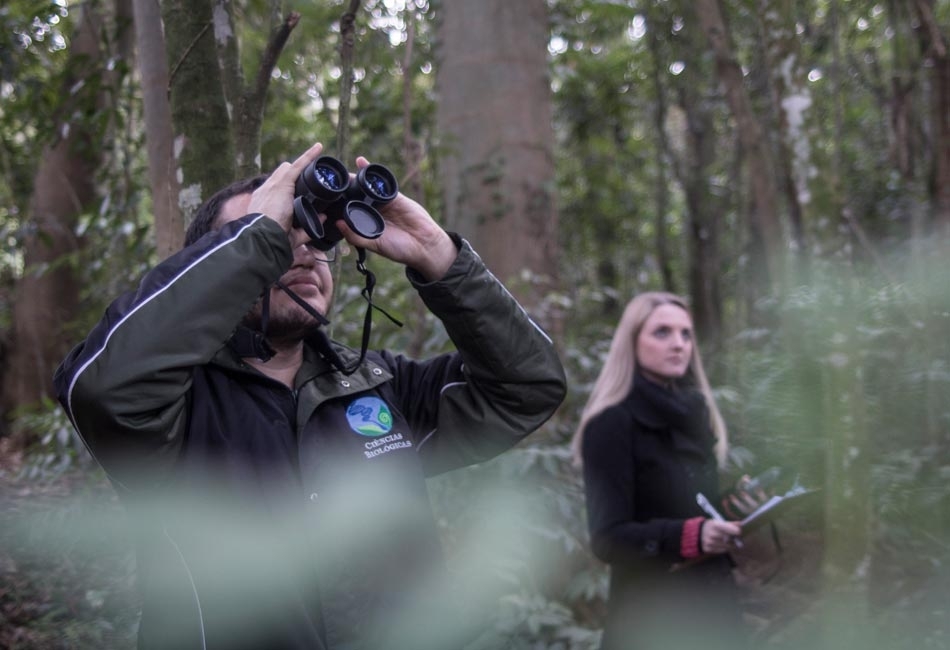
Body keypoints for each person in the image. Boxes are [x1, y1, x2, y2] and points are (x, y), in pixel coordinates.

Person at [54, 142, 567, 650]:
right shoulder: (171, 404)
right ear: (215, 266)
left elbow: (527, 387)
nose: (302, 250)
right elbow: (100, 390)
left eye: (312, 235)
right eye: (274, 236)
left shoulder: (376, 383)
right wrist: (253, 242)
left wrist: (440, 256)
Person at [571, 292, 749, 650]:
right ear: (633, 341)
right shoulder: (612, 422)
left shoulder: (695, 414)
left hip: (713, 610)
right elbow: (608, 538)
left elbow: (695, 509)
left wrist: (733, 507)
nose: (679, 344)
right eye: (662, 332)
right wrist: (690, 536)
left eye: (686, 334)